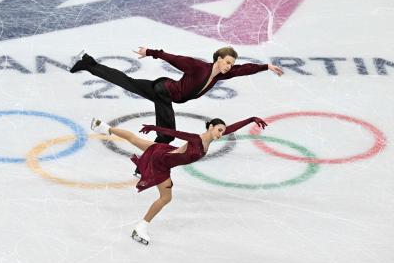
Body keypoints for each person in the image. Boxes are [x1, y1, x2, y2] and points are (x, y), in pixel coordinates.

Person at [89, 115, 268, 245]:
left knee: (134, 139)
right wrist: (154, 128)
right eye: (219, 130)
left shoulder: (213, 136)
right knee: (166, 198)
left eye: (222, 131)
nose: (222, 133)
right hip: (161, 162)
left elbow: (231, 128)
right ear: (210, 127)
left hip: (163, 150)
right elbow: (175, 132)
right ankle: (141, 227)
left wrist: (251, 119)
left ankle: (102, 127)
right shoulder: (196, 140)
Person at [70, 46, 282, 147]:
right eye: (227, 62)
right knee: (167, 135)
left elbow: (246, 69)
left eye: (231, 64)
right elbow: (176, 58)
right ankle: (151, 160)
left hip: (164, 92)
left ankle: (88, 63)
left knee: (126, 81)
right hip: (164, 91)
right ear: (217, 58)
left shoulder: (222, 74)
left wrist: (266, 66)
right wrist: (151, 52)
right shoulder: (199, 67)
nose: (230, 66)